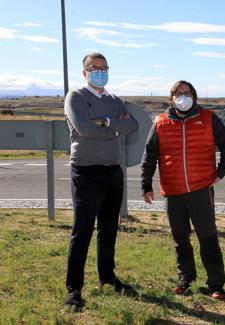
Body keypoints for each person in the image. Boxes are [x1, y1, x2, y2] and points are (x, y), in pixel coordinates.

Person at [141, 80, 225, 300]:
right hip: (172, 191)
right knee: (180, 238)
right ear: (171, 98)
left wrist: (219, 174)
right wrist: (146, 185)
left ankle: (216, 284)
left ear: (194, 96)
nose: (183, 96)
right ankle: (186, 279)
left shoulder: (209, 118)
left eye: (188, 92)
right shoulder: (160, 122)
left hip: (201, 189)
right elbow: (149, 155)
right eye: (178, 93)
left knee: (208, 237)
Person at [64, 52, 139, 310]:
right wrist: (114, 127)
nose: (100, 71)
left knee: (109, 228)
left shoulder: (113, 99)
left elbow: (133, 127)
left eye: (104, 68)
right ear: (84, 72)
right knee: (82, 230)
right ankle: (74, 289)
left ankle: (107, 276)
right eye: (94, 68)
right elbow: (84, 129)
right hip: (86, 170)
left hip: (112, 171)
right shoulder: (75, 97)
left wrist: (105, 122)